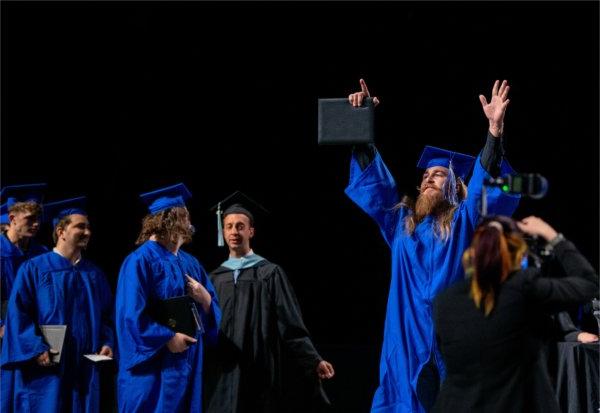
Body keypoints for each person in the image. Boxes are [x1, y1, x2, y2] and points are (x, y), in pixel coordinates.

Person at [344, 79, 520, 412]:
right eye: (426, 174)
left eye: (438, 175)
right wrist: (360, 123)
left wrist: (494, 133)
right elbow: (377, 186)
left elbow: (485, 185)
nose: (428, 178)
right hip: (407, 342)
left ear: (456, 187)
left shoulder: (465, 222)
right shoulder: (401, 225)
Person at [433, 215, 599, 413]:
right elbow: (589, 284)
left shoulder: (444, 302)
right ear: (520, 257)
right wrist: (552, 236)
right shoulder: (525, 289)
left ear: (471, 255)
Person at [204, 191, 335, 413]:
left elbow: (291, 324)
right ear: (223, 231)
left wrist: (313, 359)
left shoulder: (269, 273)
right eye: (229, 226)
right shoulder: (214, 278)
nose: (234, 231)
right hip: (222, 369)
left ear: (251, 231)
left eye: (240, 226)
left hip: (258, 369)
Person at [0, 196, 115, 412]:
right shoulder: (34, 268)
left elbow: (107, 315)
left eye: (89, 227)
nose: (88, 232)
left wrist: (107, 342)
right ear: (61, 232)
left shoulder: (94, 274)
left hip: (84, 369)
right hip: (45, 369)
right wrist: (36, 348)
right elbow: (18, 314)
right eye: (80, 226)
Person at [115, 183, 221, 412]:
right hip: (153, 370)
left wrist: (206, 300)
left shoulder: (191, 263)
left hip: (188, 366)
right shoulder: (139, 261)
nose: (189, 222)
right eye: (185, 216)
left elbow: (214, 313)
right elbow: (131, 316)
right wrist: (167, 338)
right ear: (169, 219)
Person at [0, 183, 49, 336]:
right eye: (30, 219)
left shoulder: (42, 254)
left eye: (38, 219)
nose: (36, 224)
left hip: (36, 328)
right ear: (12, 218)